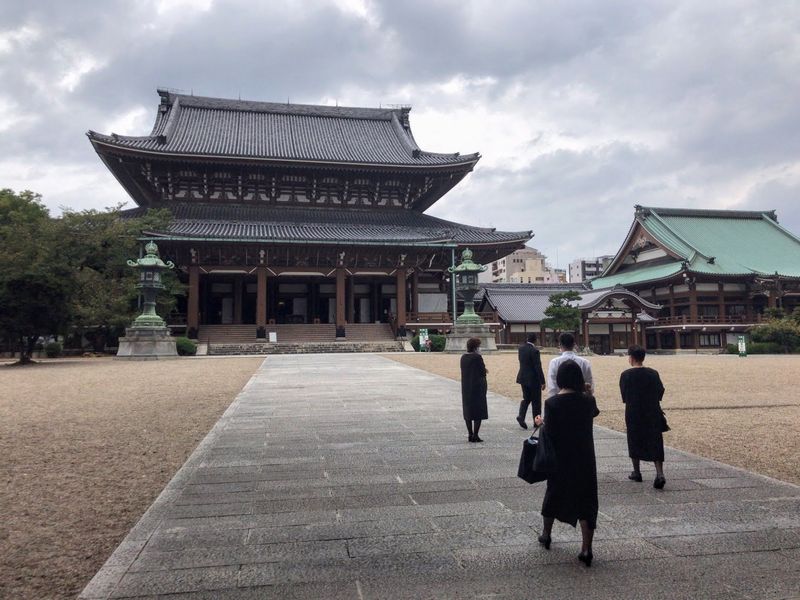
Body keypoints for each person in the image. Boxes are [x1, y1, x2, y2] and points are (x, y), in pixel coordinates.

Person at [534, 360, 599, 567]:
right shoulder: (588, 401)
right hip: (584, 456)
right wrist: (587, 392)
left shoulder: (552, 403)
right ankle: (586, 548)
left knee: (554, 493)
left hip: (561, 457)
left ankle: (546, 534)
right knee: (587, 500)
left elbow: (550, 430)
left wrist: (540, 423)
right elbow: (594, 412)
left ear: (559, 379)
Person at [620, 345, 667, 489]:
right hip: (652, 410)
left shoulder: (626, 375)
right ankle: (659, 473)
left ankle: (637, 471)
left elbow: (624, 396)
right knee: (655, 439)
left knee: (634, 438)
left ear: (631, 358)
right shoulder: (653, 373)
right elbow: (660, 391)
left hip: (634, 411)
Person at [546, 332, 593, 399]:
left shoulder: (554, 362)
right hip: (580, 399)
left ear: (560, 344)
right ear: (574, 344)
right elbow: (589, 384)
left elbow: (552, 386)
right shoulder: (584, 362)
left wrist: (553, 400)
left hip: (560, 400)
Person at [460, 337, 488, 443]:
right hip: (477, 387)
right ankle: (475, 434)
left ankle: (470, 434)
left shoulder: (463, 357)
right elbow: (482, 371)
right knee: (478, 412)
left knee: (468, 411)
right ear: (476, 347)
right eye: (479, 346)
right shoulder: (477, 357)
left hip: (466, 387)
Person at [515, 332, 546, 429]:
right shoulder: (534, 351)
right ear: (535, 340)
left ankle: (521, 416)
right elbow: (538, 367)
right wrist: (542, 381)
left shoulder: (521, 349)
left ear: (527, 339)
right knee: (536, 401)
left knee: (526, 398)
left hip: (523, 377)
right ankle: (536, 422)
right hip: (533, 379)